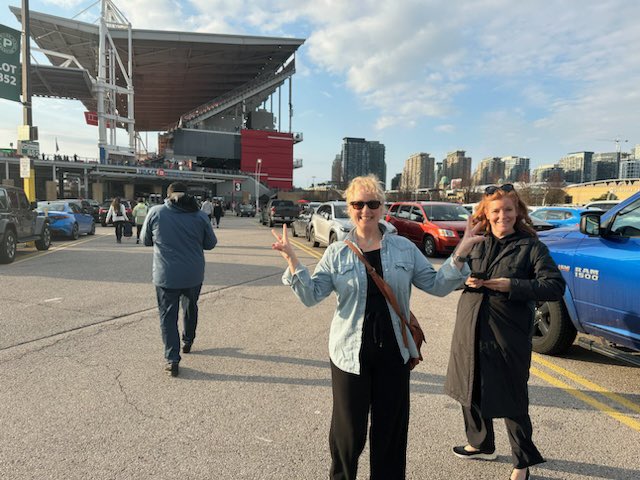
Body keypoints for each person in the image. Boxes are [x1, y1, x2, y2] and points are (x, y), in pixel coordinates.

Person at [271, 174, 484, 480]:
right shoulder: (337, 251)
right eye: (358, 203)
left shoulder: (403, 248)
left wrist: (461, 252)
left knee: (390, 434)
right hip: (348, 354)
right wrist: (292, 260)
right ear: (349, 207)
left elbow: (436, 285)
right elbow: (311, 295)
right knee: (348, 435)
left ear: (383, 207)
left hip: (394, 352)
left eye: (372, 203)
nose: (365, 210)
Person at [444, 184, 566, 480]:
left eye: (508, 210)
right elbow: (452, 277)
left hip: (507, 333)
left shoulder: (531, 246)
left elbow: (554, 285)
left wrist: (512, 286)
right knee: (469, 387)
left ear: (518, 211)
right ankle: (480, 443)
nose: (502, 216)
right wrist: (468, 280)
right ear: (485, 213)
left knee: (512, 398)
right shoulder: (477, 242)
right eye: (495, 211)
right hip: (470, 325)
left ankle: (522, 462)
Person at [141, 182, 217, 377]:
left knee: (168, 316)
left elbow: (146, 240)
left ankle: (172, 359)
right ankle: (188, 340)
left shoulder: (156, 213)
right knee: (190, 306)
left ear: (167, 196)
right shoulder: (200, 215)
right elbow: (210, 244)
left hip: (166, 275)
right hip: (193, 274)